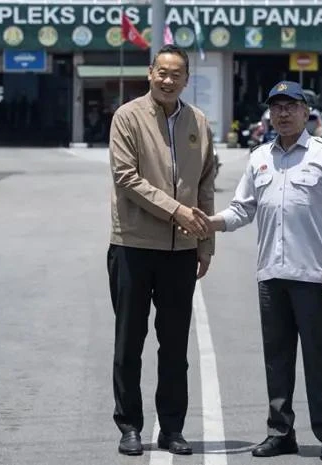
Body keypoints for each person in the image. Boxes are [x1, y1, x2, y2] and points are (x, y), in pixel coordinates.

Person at [189, 81, 322, 461]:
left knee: (318, 358)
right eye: (276, 107)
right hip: (271, 276)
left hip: (314, 276)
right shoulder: (259, 158)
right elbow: (243, 208)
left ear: (305, 111)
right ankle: (281, 432)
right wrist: (211, 223)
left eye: (290, 106)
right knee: (277, 359)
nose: (282, 114)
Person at [107, 44, 217, 456]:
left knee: (174, 346)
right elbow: (126, 178)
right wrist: (176, 211)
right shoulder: (128, 117)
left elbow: (206, 182)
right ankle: (130, 426)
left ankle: (172, 428)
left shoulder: (199, 122)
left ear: (186, 79)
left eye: (177, 74)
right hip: (133, 245)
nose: (169, 80)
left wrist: (205, 242)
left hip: (182, 251)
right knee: (128, 342)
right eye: (163, 72)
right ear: (150, 73)